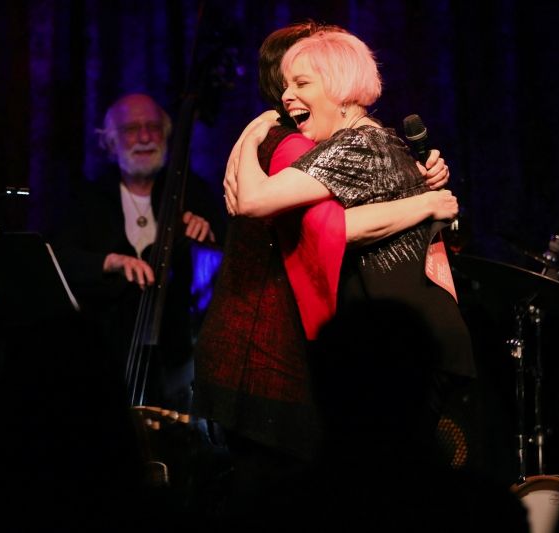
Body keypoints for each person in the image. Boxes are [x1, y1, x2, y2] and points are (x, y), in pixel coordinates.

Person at [191, 22, 454, 520]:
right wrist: (426, 200)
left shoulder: (349, 144)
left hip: (385, 345)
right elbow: (325, 225)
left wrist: (250, 133)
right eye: (289, 82)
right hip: (278, 360)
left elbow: (324, 226)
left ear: (338, 84)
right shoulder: (312, 145)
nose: (291, 94)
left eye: (304, 81)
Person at [51, 92, 223, 414]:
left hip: (179, 356)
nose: (145, 137)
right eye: (131, 129)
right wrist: (108, 262)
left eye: (153, 127)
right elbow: (60, 259)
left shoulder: (193, 192)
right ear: (110, 142)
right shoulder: (89, 198)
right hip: (105, 356)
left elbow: (224, 260)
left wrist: (206, 238)